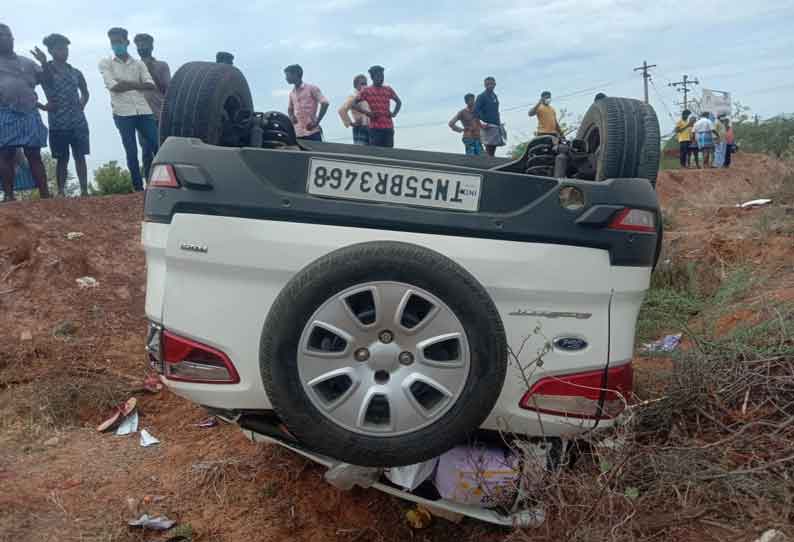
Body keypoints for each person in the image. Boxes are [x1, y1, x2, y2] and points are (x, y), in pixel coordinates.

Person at [99, 27, 159, 191]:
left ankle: (161, 183)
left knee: (157, 146)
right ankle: (138, 188)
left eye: (119, 41)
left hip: (143, 110)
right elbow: (113, 86)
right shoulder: (106, 63)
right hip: (122, 112)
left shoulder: (138, 64)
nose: (116, 45)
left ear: (126, 42)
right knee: (131, 151)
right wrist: (137, 86)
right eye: (113, 42)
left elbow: (151, 85)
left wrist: (128, 84)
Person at [0, 23, 50, 202]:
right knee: (6, 153)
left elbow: (45, 79)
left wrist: (44, 62)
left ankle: (45, 195)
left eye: (7, 35)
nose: (4, 38)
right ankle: (8, 195)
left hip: (29, 111)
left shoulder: (27, 62)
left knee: (34, 154)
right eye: (1, 35)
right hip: (5, 112)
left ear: (13, 38)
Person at [40, 33, 90, 197]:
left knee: (80, 156)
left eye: (66, 48)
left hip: (77, 121)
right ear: (51, 51)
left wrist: (82, 104)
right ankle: (61, 191)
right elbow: (44, 81)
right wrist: (42, 105)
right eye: (60, 49)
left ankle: (84, 190)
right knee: (62, 158)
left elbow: (85, 92)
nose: (64, 51)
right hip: (58, 122)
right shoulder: (46, 70)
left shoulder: (75, 72)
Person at [133, 33, 169, 174]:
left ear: (151, 46)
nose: (142, 47)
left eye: (145, 44)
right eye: (139, 45)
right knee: (146, 152)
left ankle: (165, 181)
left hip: (159, 115)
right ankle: (147, 184)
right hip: (141, 114)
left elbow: (167, 89)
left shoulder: (161, 65)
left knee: (161, 150)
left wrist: (151, 71)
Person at [353, 65, 401, 148]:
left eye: (382, 76)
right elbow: (353, 104)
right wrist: (368, 113)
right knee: (376, 154)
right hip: (375, 129)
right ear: (372, 77)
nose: (381, 78)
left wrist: (394, 113)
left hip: (388, 127)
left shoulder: (388, 89)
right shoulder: (367, 91)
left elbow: (399, 102)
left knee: (389, 154)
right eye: (378, 76)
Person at [284, 64, 329, 142]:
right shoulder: (292, 93)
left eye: (288, 75)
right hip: (298, 134)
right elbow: (290, 109)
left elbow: (325, 103)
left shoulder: (312, 88)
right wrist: (292, 117)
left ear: (295, 74)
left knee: (316, 154)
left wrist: (316, 122)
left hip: (312, 132)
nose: (286, 78)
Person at [474, 76, 503, 156]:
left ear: (495, 84)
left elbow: (496, 111)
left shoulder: (494, 96)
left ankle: (490, 161)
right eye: (488, 84)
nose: (490, 85)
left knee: (494, 146)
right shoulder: (481, 96)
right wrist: (481, 125)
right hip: (487, 125)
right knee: (489, 146)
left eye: (491, 84)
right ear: (485, 85)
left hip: (496, 124)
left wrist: (499, 124)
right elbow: (475, 112)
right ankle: (488, 164)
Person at [338, 74, 370, 145]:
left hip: (371, 127)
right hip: (360, 128)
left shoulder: (368, 95)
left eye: (365, 83)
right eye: (362, 84)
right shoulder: (353, 96)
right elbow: (341, 110)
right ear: (356, 86)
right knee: (361, 151)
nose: (364, 86)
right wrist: (351, 123)